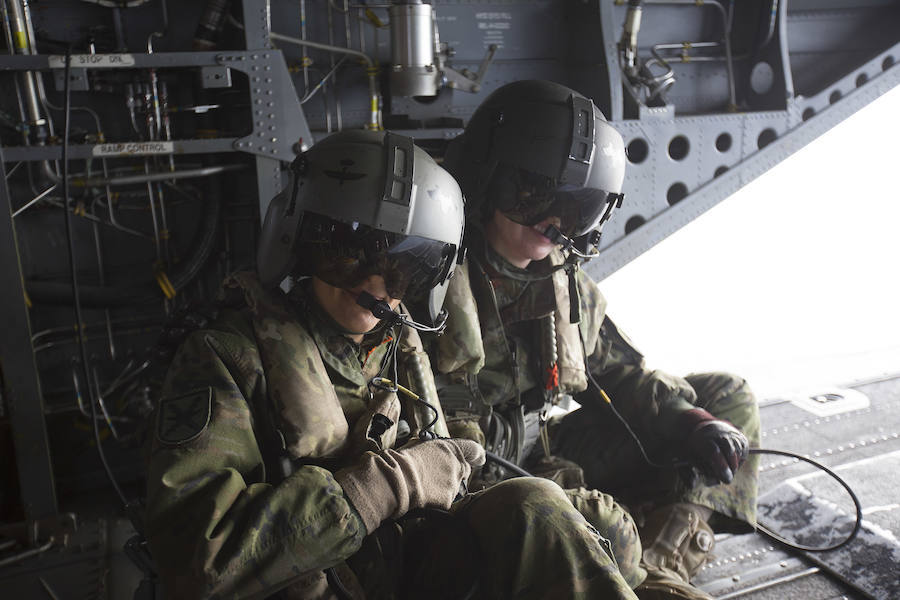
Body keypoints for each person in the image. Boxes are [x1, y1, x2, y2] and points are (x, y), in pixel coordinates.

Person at [144, 129, 639, 599]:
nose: (376, 286)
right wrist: (385, 486)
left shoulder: (399, 346)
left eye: (405, 269)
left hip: (409, 564)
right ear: (301, 240)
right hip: (320, 583)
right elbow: (196, 562)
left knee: (569, 521)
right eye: (350, 255)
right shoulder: (229, 356)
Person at [423, 80, 761, 600]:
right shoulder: (427, 275)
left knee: (727, 398)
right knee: (604, 529)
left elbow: (614, 370)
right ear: (486, 179)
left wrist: (692, 421)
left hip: (544, 449)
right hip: (477, 483)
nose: (554, 223)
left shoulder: (561, 280)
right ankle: (637, 571)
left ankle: (660, 564)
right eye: (534, 195)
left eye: (578, 206)